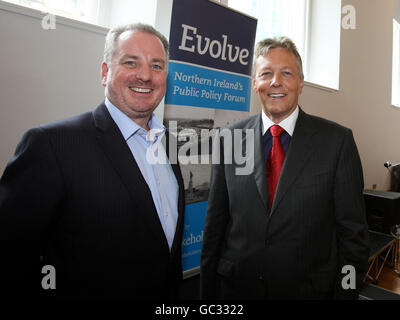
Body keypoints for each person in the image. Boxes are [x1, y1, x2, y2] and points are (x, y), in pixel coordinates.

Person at [0, 23, 185, 300]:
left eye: (157, 66)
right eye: (131, 62)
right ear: (104, 72)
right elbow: (11, 258)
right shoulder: (52, 145)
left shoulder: (169, 143)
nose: (145, 75)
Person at [200, 37, 369, 300]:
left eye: (287, 73)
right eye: (266, 73)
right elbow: (215, 227)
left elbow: (353, 237)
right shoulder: (229, 138)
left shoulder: (337, 143)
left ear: (300, 83)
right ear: (254, 83)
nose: (276, 81)